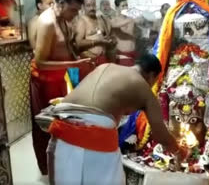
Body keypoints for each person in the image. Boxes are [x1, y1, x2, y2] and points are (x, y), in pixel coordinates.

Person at [45, 54, 187, 184]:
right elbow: (161, 136)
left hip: (60, 138)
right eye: (155, 81)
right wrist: (179, 151)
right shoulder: (144, 90)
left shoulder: (105, 66)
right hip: (94, 145)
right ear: (151, 76)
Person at [30, 0, 91, 175]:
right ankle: (51, 169)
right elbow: (41, 62)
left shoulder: (63, 18)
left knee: (65, 123)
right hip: (45, 80)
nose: (75, 15)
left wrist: (79, 63)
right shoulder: (47, 22)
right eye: (73, 10)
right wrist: (75, 63)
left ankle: (64, 164)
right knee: (49, 127)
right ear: (61, 3)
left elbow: (67, 47)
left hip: (61, 77)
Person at [75, 0, 117, 79]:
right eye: (88, 5)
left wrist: (111, 40)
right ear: (83, 7)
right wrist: (98, 42)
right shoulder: (82, 21)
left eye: (93, 5)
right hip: (89, 62)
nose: (92, 8)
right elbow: (78, 43)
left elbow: (107, 36)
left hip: (103, 61)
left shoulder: (100, 20)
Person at [111, 0, 136, 66]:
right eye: (123, 6)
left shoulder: (131, 19)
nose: (126, 8)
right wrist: (129, 20)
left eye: (126, 5)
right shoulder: (114, 20)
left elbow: (131, 31)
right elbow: (113, 25)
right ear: (116, 8)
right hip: (121, 55)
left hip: (133, 53)